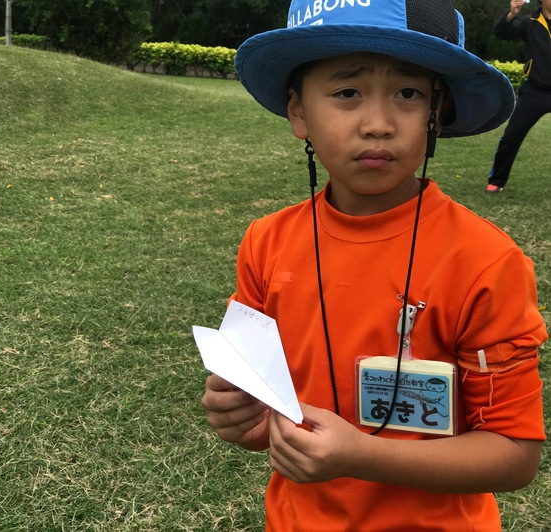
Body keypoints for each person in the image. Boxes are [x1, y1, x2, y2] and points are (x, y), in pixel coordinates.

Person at [200, 0, 548, 530]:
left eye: (408, 94)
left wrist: (361, 455)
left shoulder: (486, 263)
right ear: (299, 112)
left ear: (437, 113)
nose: (379, 124)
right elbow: (264, 397)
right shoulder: (265, 243)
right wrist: (244, 415)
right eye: (347, 93)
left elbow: (514, 453)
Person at [487, 0, 551, 193]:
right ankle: (496, 181)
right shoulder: (529, 22)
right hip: (535, 91)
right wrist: (512, 14)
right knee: (511, 135)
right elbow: (501, 33)